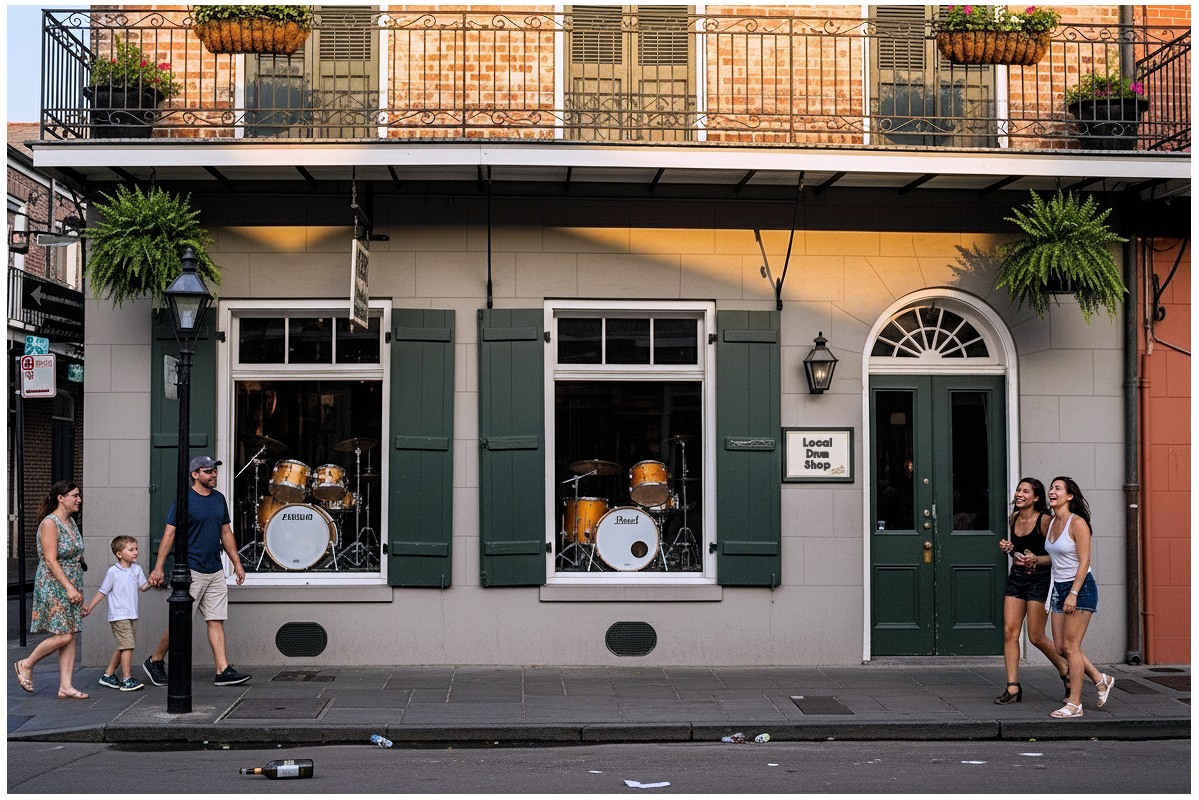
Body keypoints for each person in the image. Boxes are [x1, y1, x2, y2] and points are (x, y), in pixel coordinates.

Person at [143, 456, 251, 687]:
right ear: (195, 474)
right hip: (191, 570)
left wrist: (237, 564)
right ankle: (156, 660)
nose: (213, 475)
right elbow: (169, 534)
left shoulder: (219, 499)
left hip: (215, 569)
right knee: (180, 621)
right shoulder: (184, 500)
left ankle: (222, 670)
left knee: (216, 619)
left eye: (214, 471)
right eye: (208, 471)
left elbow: (226, 533)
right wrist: (158, 568)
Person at [1044, 476, 1115, 718]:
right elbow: (1053, 558)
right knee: (1061, 647)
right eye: (1051, 487)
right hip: (1058, 588)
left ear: (1069, 496)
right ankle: (1100, 678)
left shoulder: (1078, 523)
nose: (1051, 491)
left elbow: (1084, 562)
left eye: (1057, 488)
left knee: (1072, 647)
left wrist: (1073, 593)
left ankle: (1075, 703)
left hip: (1080, 588)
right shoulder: (1052, 522)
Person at [995, 478, 1068, 704]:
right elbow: (1021, 552)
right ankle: (1013, 686)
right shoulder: (1014, 518)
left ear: (1036, 498)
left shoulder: (1046, 521)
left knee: (1036, 636)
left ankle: (1066, 671)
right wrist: (1011, 551)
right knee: (1009, 633)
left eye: (1025, 491)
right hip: (1017, 579)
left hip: (1040, 580)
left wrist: (1037, 559)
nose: (1019, 494)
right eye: (1018, 490)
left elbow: (1059, 556)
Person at [13, 481, 89, 698]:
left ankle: (66, 686)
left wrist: (77, 590)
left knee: (72, 634)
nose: (79, 500)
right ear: (60, 498)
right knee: (64, 635)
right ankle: (26, 664)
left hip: (72, 581)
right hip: (55, 584)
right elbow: (50, 559)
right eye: (74, 495)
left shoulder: (71, 522)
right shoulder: (50, 523)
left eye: (79, 495)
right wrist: (69, 589)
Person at [82, 535, 152, 691]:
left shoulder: (137, 569)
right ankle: (127, 679)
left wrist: (152, 582)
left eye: (136, 549)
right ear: (119, 554)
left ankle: (108, 675)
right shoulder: (113, 572)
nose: (135, 552)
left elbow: (143, 587)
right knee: (127, 645)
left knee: (124, 646)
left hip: (132, 614)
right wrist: (90, 607)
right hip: (119, 615)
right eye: (131, 549)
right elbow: (103, 591)